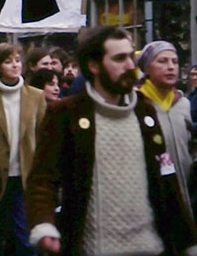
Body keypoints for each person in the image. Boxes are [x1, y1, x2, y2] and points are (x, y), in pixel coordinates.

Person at [26, 26, 197, 255]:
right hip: (93, 249)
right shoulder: (66, 114)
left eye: (130, 56)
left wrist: (187, 242)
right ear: (94, 66)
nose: (130, 66)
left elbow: (168, 181)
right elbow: (42, 179)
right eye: (119, 58)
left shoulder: (145, 111)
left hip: (151, 248)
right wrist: (44, 226)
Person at [0, 43, 46, 255]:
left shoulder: (36, 96)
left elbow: (43, 136)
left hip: (25, 175)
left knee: (25, 237)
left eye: (17, 60)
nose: (15, 65)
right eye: (8, 62)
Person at [137, 41, 194, 212]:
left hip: (185, 194)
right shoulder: (137, 105)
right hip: (151, 200)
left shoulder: (183, 104)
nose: (170, 67)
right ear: (147, 68)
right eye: (162, 61)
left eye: (174, 62)